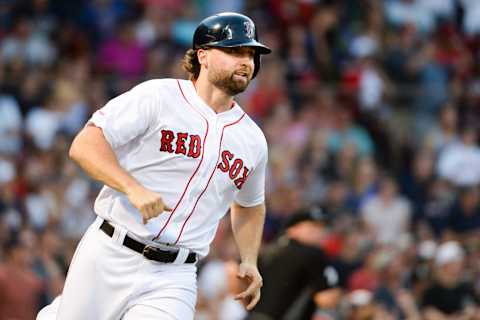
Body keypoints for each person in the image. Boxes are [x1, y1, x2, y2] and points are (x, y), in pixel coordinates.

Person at [37, 11, 271, 320]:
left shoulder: (252, 140)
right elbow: (85, 144)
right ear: (203, 55)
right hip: (111, 252)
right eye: (235, 51)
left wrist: (250, 259)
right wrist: (131, 187)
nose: (246, 61)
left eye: (251, 54)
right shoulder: (159, 97)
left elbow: (250, 205)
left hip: (175, 276)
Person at [247, 207, 341, 320]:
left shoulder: (268, 251)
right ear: (292, 229)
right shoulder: (313, 254)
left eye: (322, 227)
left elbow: (233, 271)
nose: (319, 232)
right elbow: (326, 299)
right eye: (312, 227)